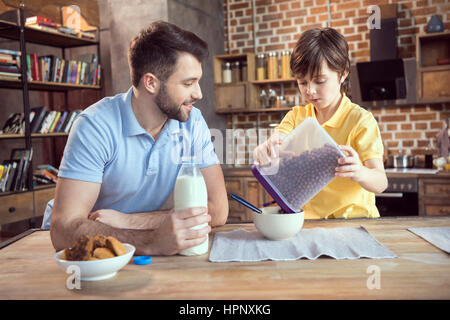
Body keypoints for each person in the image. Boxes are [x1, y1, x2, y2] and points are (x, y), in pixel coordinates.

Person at [50, 21, 228, 256]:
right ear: (151, 82)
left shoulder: (192, 122)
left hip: (130, 241)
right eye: (188, 83)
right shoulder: (95, 125)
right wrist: (151, 242)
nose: (198, 93)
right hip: (83, 254)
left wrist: (131, 222)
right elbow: (62, 229)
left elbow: (218, 210)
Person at [253, 27, 387, 219]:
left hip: (354, 223)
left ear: (343, 75)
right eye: (303, 82)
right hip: (308, 224)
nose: (311, 91)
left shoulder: (360, 121)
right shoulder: (295, 117)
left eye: (319, 81)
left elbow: (381, 182)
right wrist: (266, 150)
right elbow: (277, 140)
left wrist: (359, 172)